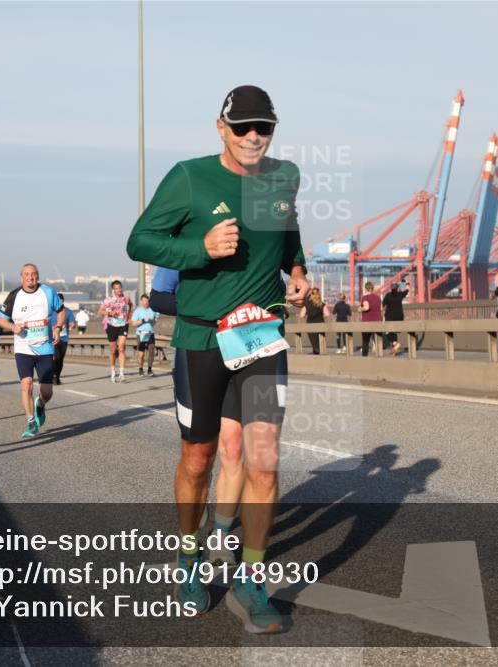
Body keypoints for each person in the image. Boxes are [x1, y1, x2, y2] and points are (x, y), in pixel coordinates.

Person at [127, 84, 309, 634]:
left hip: (261, 339)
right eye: (243, 127)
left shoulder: (285, 177)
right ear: (221, 127)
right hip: (202, 341)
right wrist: (198, 249)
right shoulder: (189, 177)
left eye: (265, 127)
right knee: (199, 460)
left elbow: (289, 236)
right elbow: (140, 240)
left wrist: (297, 275)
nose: (255, 136)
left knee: (262, 458)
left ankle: (251, 580)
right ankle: (188, 559)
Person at [0, 264, 65, 438]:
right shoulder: (14, 296)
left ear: (38, 276)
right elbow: (0, 320)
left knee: (47, 392)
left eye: (33, 274)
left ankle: (40, 405)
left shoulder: (48, 292)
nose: (30, 277)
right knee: (26, 384)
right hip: (23, 348)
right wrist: (12, 326)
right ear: (22, 277)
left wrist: (57, 328)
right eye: (27, 274)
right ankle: (30, 422)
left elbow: (61, 310)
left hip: (45, 348)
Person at [99, 280, 132, 382]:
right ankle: (113, 370)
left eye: (120, 288)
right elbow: (100, 311)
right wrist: (110, 314)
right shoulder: (108, 300)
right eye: (117, 288)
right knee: (113, 350)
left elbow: (130, 305)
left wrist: (129, 316)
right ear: (113, 289)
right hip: (111, 325)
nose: (119, 290)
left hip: (123, 324)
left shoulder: (126, 298)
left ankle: (122, 373)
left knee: (121, 347)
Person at [131, 294, 158, 376]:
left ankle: (149, 369)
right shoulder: (138, 311)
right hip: (141, 334)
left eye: (147, 301)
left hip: (150, 333)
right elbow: (133, 324)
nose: (146, 302)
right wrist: (143, 320)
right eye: (144, 301)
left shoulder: (153, 310)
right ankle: (141, 368)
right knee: (141, 354)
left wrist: (151, 321)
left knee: (151, 351)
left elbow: (154, 322)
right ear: (141, 301)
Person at [300, 287, 329, 354]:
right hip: (321, 325)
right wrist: (322, 315)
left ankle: (316, 353)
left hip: (310, 326)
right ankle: (321, 358)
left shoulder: (307, 304)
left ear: (311, 295)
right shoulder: (322, 304)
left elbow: (302, 315)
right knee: (321, 343)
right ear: (319, 294)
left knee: (314, 344)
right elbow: (327, 314)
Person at [382, 282, 408, 356]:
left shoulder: (388, 295)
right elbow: (406, 291)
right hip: (399, 317)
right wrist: (407, 284)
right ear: (397, 288)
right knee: (394, 333)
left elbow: (383, 304)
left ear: (391, 288)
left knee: (388, 332)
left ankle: (395, 344)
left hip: (389, 316)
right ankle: (394, 350)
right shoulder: (400, 294)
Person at [53, 294, 72, 384]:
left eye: (61, 300)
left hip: (64, 338)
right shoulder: (50, 311)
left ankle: (57, 375)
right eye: (57, 300)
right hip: (52, 338)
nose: (59, 302)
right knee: (56, 357)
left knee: (61, 358)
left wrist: (72, 325)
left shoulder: (68, 312)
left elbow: (72, 322)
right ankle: (53, 375)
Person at [360, 281, 382, 356]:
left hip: (367, 322)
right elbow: (381, 309)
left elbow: (366, 307)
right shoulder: (378, 297)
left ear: (365, 288)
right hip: (378, 320)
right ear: (372, 288)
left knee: (365, 341)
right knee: (378, 341)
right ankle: (379, 358)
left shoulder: (365, 297)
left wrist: (360, 309)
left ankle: (364, 358)